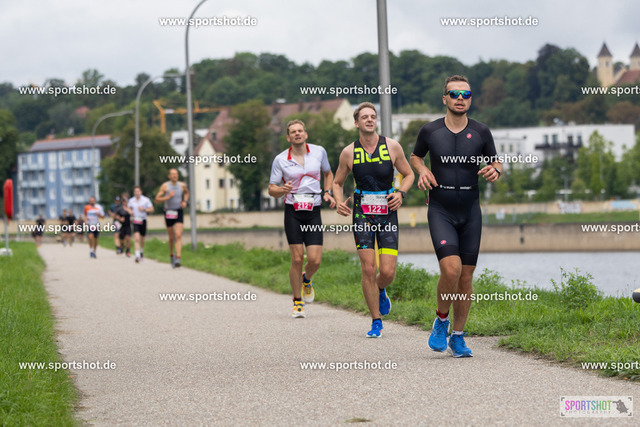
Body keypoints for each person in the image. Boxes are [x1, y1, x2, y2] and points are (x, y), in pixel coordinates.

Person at [410, 75, 502, 357]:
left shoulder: (482, 131)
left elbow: (496, 161)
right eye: (454, 94)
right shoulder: (430, 131)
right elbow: (415, 156)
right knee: (451, 269)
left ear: (471, 99)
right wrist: (422, 170)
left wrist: (496, 170)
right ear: (445, 99)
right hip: (441, 209)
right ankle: (441, 320)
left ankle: (458, 337)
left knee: (466, 276)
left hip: (470, 210)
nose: (460, 98)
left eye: (466, 94)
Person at [333, 102, 414, 337]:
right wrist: (338, 201)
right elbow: (337, 182)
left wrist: (401, 193)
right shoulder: (349, 152)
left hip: (387, 212)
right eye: (364, 117)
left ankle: (379, 289)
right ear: (356, 123)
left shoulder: (392, 146)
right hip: (362, 214)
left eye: (373, 116)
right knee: (368, 268)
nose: (370, 120)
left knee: (387, 272)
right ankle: (376, 320)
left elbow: (409, 174)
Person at [268, 119, 336, 318]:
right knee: (297, 259)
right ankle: (297, 302)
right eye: (293, 132)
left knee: (315, 260)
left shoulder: (319, 152)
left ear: (305, 134)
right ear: (288, 137)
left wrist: (327, 191)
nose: (297, 134)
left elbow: (328, 173)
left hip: (313, 211)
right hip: (293, 211)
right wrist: (282, 189)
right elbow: (271, 189)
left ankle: (306, 279)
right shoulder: (280, 159)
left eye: (300, 131)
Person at [154, 169, 189, 268]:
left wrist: (185, 202)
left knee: (178, 235)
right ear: (169, 176)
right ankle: (171, 255)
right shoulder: (165, 186)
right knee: (171, 237)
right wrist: (168, 197)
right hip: (168, 212)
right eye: (173, 174)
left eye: (176, 174)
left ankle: (178, 258)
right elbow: (157, 200)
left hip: (178, 211)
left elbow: (186, 193)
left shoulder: (182, 185)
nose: (175, 176)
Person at [126, 186, 154, 263]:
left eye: (138, 191)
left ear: (141, 192)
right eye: (135, 191)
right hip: (135, 220)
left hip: (143, 220)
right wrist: (130, 211)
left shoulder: (146, 200)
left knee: (142, 238)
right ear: (134, 192)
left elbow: (152, 209)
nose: (137, 193)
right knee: (136, 238)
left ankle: (141, 250)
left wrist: (144, 209)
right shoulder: (131, 200)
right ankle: (137, 255)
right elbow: (127, 208)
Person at [115, 193, 132, 257]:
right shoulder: (120, 209)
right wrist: (120, 218)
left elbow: (132, 214)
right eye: (124, 201)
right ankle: (121, 247)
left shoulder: (129, 208)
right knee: (121, 240)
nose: (125, 203)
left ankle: (128, 251)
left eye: (126, 201)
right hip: (122, 226)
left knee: (128, 238)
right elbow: (116, 216)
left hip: (128, 225)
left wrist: (128, 209)